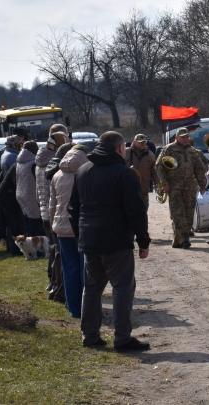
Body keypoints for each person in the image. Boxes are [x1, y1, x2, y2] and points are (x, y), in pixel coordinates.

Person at [68, 131, 151, 351]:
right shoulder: (124, 173)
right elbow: (136, 211)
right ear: (120, 148)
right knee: (123, 287)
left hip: (89, 240)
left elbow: (73, 209)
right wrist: (143, 241)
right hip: (116, 241)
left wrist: (81, 234)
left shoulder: (82, 171)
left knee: (92, 289)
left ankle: (89, 336)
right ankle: (122, 338)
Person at [49, 144, 89, 318]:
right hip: (81, 228)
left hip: (62, 229)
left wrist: (53, 225)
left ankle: (73, 308)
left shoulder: (57, 175)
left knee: (69, 269)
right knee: (84, 270)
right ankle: (87, 307)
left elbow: (52, 205)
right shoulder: (86, 173)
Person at [155, 128, 207, 249]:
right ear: (177, 137)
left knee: (188, 215)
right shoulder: (169, 149)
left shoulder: (192, 151)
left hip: (189, 187)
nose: (185, 139)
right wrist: (165, 183)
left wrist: (202, 185)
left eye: (187, 137)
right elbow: (159, 166)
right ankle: (184, 239)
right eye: (183, 137)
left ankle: (177, 240)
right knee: (178, 214)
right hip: (175, 187)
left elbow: (199, 169)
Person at [36, 126, 69, 302]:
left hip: (44, 211)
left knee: (53, 250)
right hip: (55, 211)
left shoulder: (39, 160)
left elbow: (37, 191)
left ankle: (53, 282)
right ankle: (58, 285)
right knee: (59, 252)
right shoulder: (56, 163)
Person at [15, 141, 44, 237]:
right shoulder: (33, 163)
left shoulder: (20, 161)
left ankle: (27, 243)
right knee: (35, 221)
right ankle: (34, 246)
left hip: (20, 194)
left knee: (27, 219)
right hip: (31, 195)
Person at [125, 134, 160, 212]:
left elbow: (154, 172)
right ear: (134, 142)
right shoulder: (126, 152)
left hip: (143, 189)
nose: (143, 144)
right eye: (140, 142)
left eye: (144, 142)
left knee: (143, 212)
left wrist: (158, 184)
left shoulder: (150, 155)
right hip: (128, 190)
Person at [0, 163, 23, 255]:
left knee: (11, 221)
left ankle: (11, 248)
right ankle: (14, 249)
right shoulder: (19, 166)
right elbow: (17, 184)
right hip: (7, 195)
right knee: (15, 221)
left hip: (4, 193)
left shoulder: (17, 165)